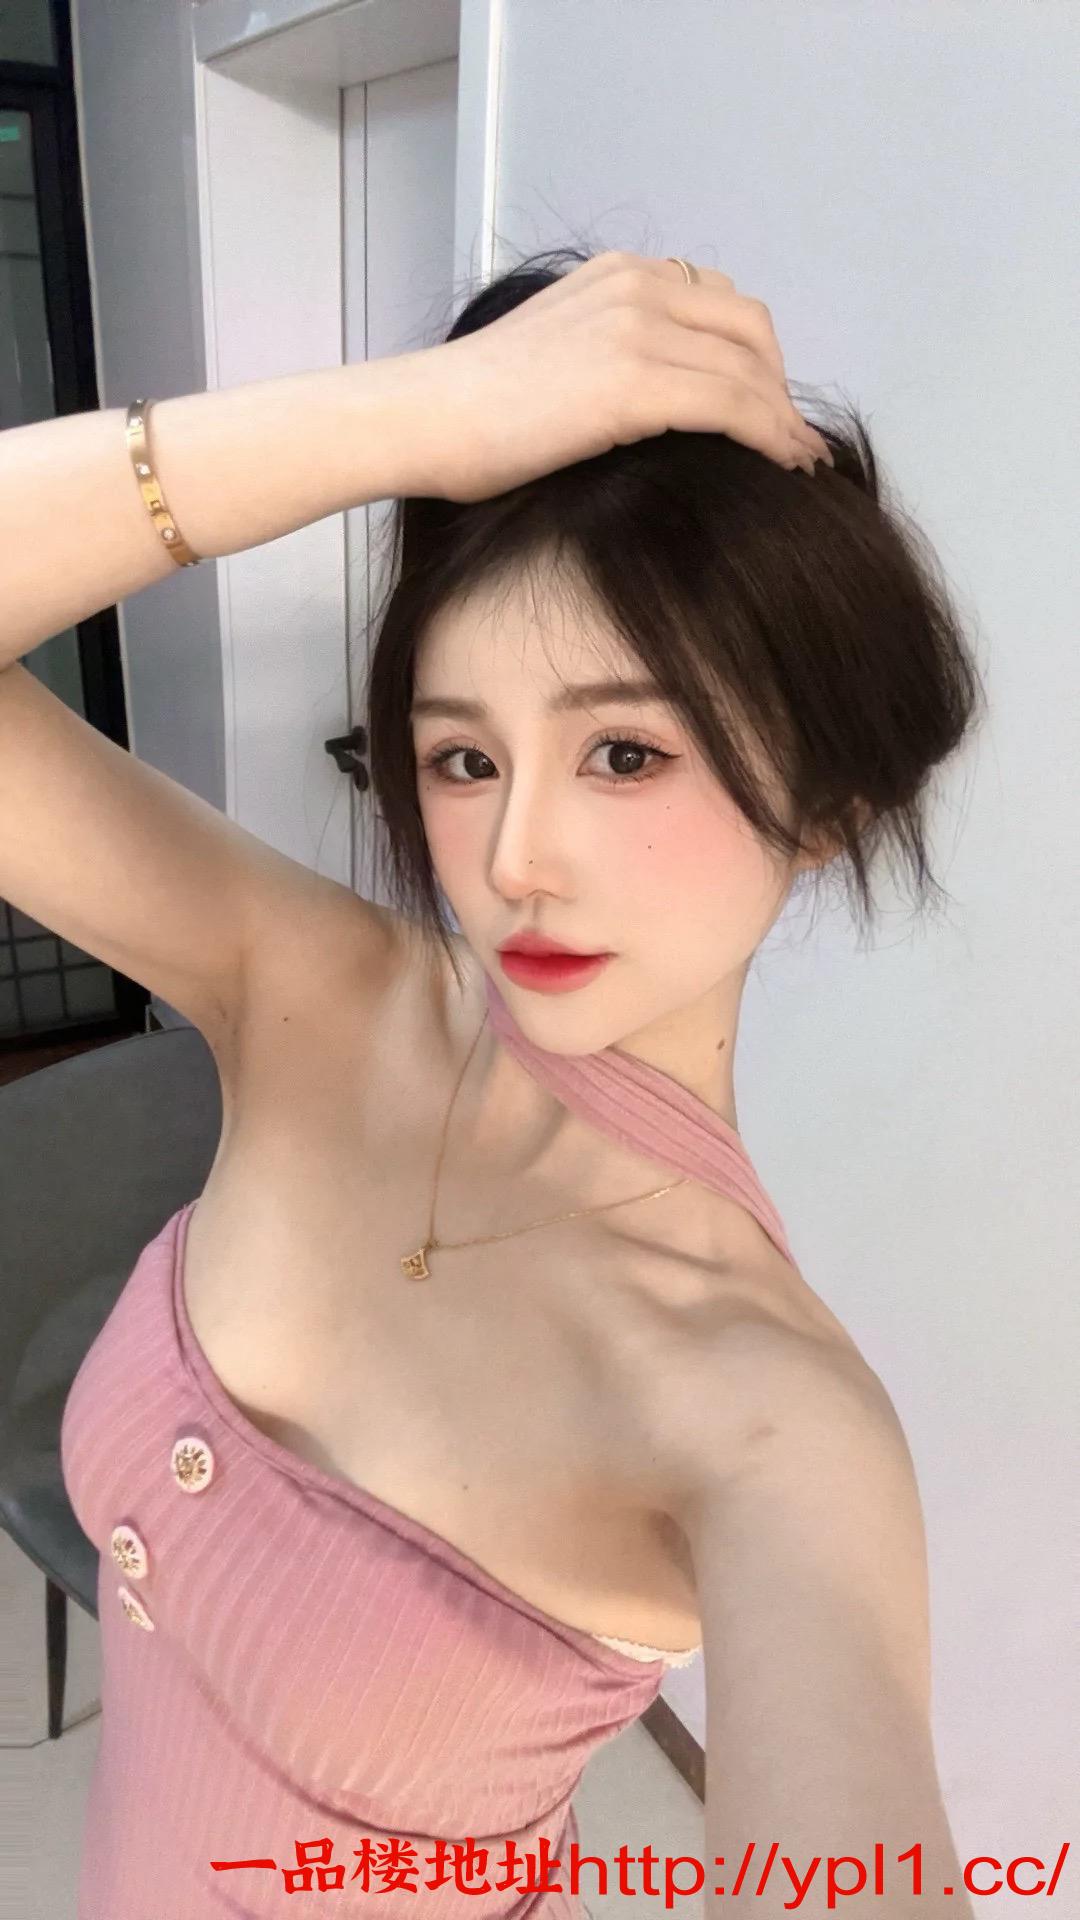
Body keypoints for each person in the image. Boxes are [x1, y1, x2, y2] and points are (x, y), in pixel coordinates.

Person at [0, 248, 985, 1917]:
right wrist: (419, 417)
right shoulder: (318, 995)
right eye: (464, 758)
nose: (516, 855)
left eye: (625, 753)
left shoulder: (766, 1421)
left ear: (825, 806)